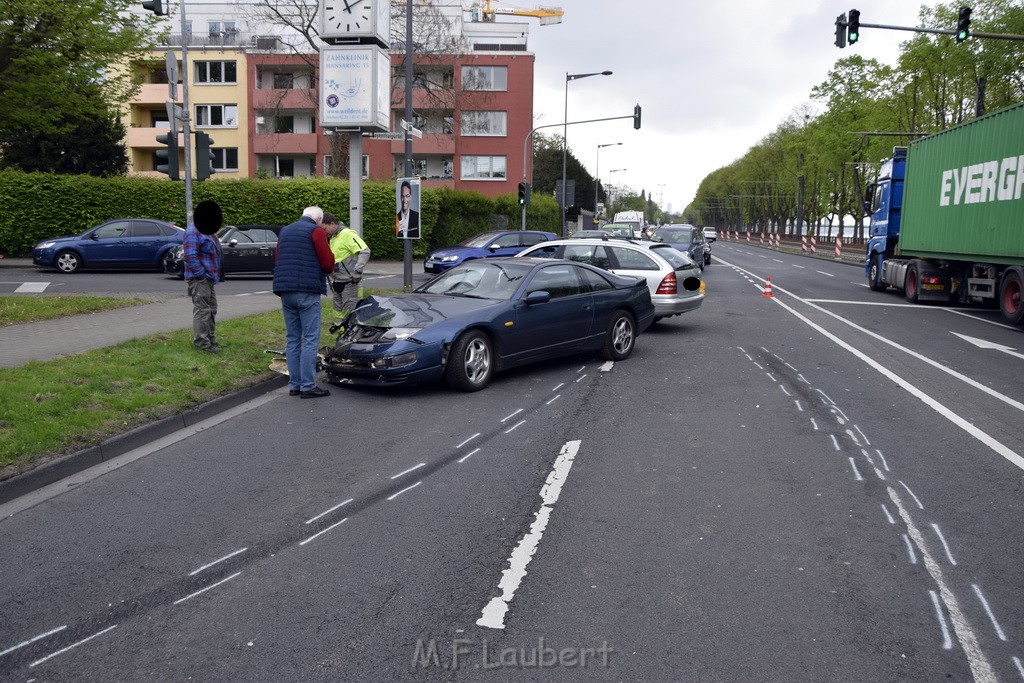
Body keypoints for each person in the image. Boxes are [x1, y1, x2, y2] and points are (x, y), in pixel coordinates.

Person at [272, 206, 335, 399]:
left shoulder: (285, 230)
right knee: (309, 338)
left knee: (292, 338)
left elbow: (278, 257)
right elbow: (327, 262)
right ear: (318, 220)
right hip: (307, 290)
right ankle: (308, 386)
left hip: (285, 289)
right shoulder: (315, 231)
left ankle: (295, 385)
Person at [183, 200, 224, 353]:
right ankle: (202, 343)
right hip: (201, 279)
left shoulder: (206, 231)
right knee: (202, 310)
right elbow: (189, 256)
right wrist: (201, 276)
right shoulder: (193, 232)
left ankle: (210, 339)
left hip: (209, 278)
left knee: (211, 309)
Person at [323, 211, 371, 332]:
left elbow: (365, 251)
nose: (324, 232)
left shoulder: (347, 234)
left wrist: (357, 271)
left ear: (332, 224)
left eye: (325, 228)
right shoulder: (333, 237)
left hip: (350, 281)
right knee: (337, 310)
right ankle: (341, 331)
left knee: (351, 309)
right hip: (337, 280)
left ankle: (352, 333)